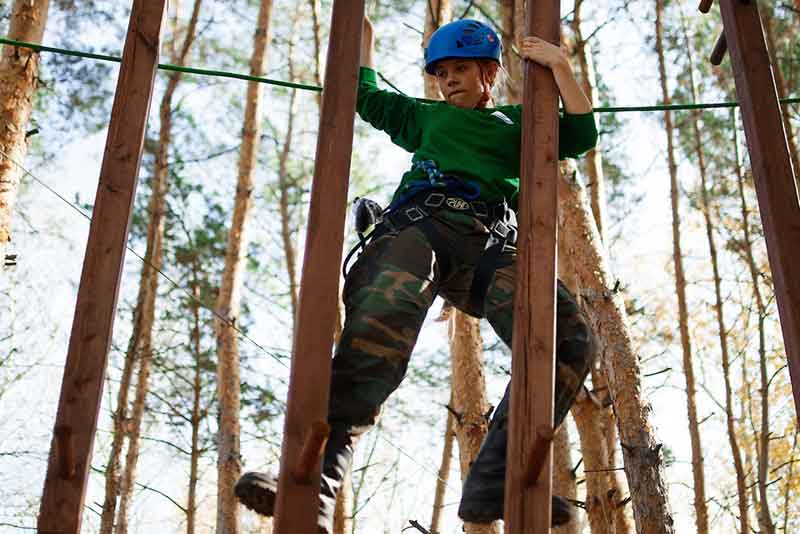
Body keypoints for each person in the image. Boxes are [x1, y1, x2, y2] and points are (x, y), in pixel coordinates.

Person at [235, 15, 599, 532]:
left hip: (485, 245)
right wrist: (363, 35)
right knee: (380, 328)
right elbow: (368, 97)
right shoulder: (426, 117)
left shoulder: (517, 124)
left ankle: (493, 479)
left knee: (568, 338)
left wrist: (559, 65)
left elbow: (580, 133)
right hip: (419, 228)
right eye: (440, 72)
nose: (448, 80)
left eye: (459, 69)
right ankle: (310, 482)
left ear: (488, 73)